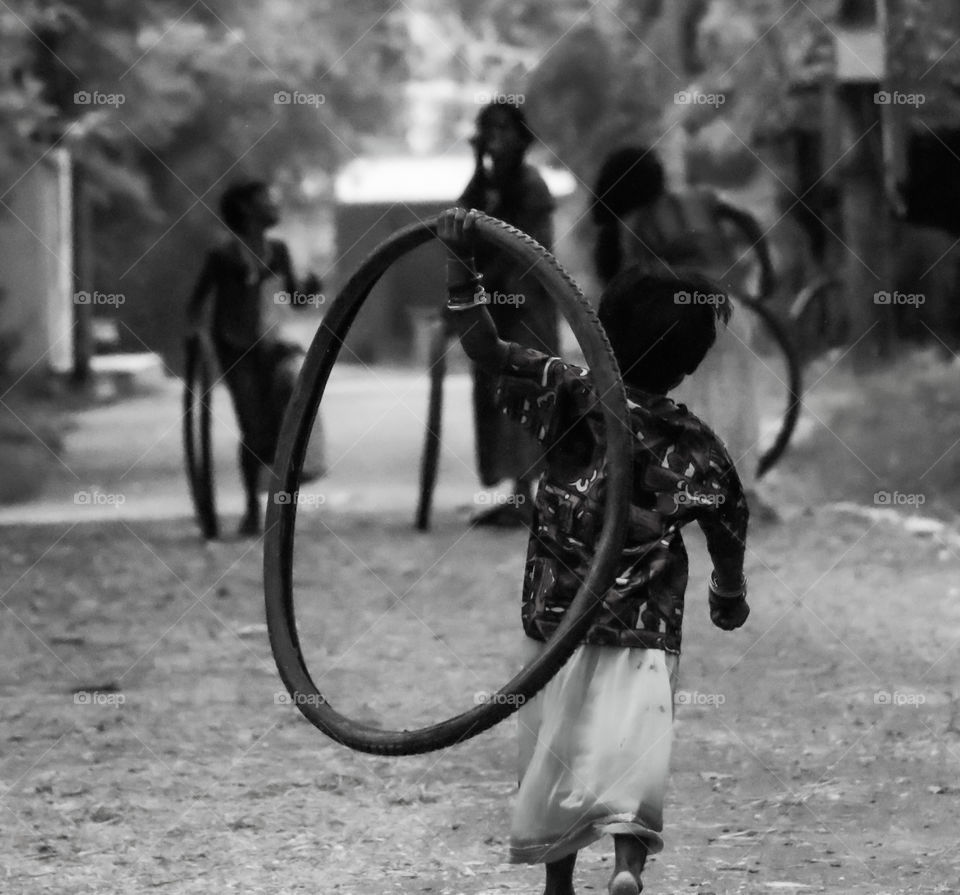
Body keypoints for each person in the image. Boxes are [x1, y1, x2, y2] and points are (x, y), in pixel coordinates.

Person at [438, 207, 751, 895]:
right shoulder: (693, 442)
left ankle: (559, 881)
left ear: (599, 330)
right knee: (636, 749)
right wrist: (729, 592)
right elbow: (728, 518)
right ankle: (628, 864)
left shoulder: (567, 393)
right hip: (644, 627)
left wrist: (463, 269)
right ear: (692, 360)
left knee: (555, 748)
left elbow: (486, 349)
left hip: (559, 621)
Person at [591, 146, 776, 515]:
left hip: (680, 323)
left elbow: (631, 287)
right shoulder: (699, 199)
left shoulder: (635, 227)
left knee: (689, 405)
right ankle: (744, 490)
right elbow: (747, 222)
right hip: (731, 311)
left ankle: (691, 490)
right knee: (738, 401)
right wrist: (767, 271)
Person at [456, 99, 559, 527]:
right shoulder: (483, 185)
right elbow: (460, 230)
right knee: (493, 392)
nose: (496, 139)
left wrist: (501, 286)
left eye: (503, 130)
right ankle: (515, 493)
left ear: (520, 137)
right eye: (489, 130)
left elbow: (531, 251)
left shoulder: (531, 186)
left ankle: (528, 494)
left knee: (526, 388)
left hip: (525, 305)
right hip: (492, 306)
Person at [187, 179, 304, 537]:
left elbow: (296, 299)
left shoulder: (279, 252)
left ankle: (279, 502)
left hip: (272, 347)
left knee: (279, 424)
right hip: (234, 348)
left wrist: (313, 288)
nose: (274, 205)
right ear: (247, 211)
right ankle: (253, 508)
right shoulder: (222, 258)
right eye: (266, 201)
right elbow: (196, 305)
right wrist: (197, 340)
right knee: (252, 427)